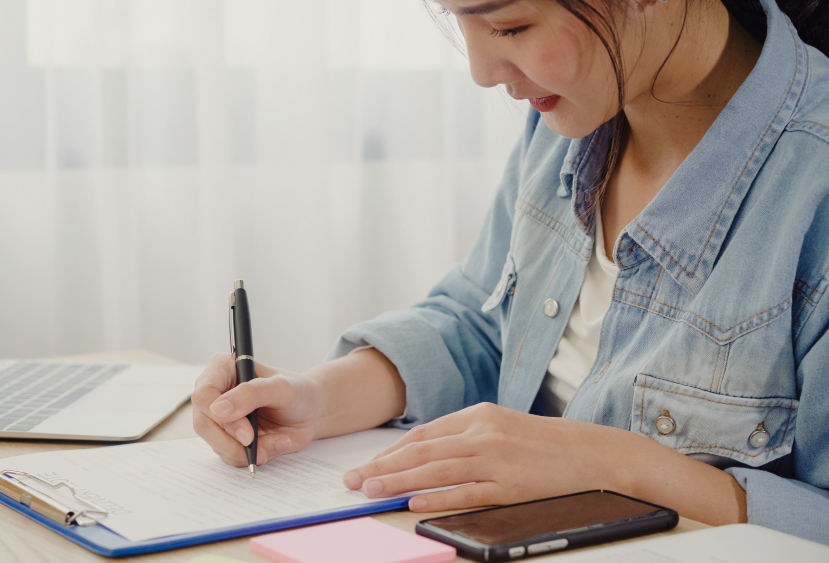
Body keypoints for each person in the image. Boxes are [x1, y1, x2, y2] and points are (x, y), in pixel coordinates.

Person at [192, 0, 829, 544]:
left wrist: (612, 464)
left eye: (510, 27)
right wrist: (318, 399)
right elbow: (481, 324)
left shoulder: (813, 184)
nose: (479, 72)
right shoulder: (571, 113)